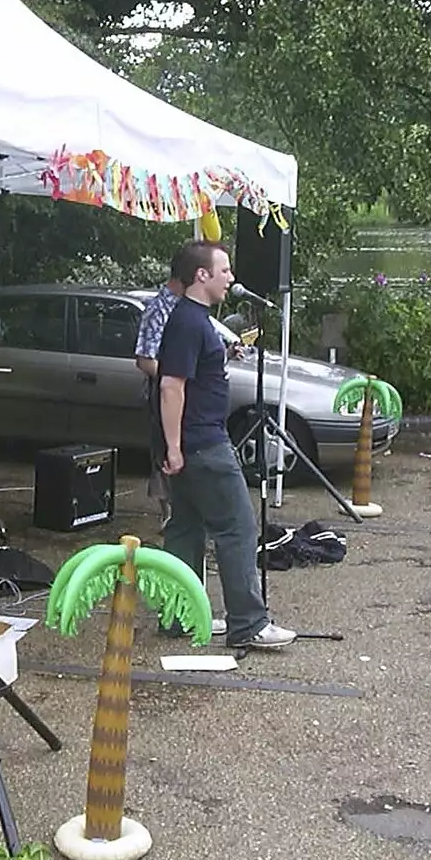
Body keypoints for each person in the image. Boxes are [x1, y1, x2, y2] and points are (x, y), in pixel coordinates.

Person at [157, 241, 296, 649]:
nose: (231, 279)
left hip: (193, 443)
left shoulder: (194, 321)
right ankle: (248, 624)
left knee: (185, 529)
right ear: (202, 275)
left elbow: (192, 374)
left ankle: (180, 615)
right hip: (203, 444)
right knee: (238, 527)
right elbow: (170, 386)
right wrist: (175, 446)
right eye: (225, 271)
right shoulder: (189, 321)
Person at [134, 275, 183, 527]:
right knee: (164, 456)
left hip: (180, 391)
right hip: (162, 393)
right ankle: (169, 516)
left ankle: (179, 514)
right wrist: (175, 378)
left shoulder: (185, 307)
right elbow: (145, 360)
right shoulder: (158, 309)